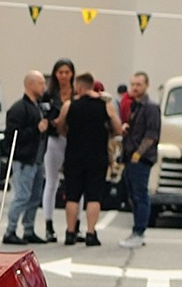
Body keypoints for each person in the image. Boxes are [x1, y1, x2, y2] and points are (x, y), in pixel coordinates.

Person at [58, 73, 113, 247]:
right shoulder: (105, 106)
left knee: (73, 196)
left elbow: (60, 126)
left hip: (74, 155)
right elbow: (118, 127)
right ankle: (90, 233)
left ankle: (70, 232)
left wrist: (71, 133)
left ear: (79, 87)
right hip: (97, 156)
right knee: (94, 196)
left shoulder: (69, 105)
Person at [0, 71, 50, 246]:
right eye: (41, 83)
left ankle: (29, 229)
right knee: (22, 195)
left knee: (35, 196)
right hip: (24, 159)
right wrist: (37, 129)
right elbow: (13, 136)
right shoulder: (19, 109)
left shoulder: (38, 107)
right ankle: (10, 230)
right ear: (30, 84)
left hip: (37, 159)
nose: (44, 87)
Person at [118, 71, 160, 245]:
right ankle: (136, 230)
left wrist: (138, 154)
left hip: (141, 159)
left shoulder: (150, 107)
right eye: (133, 84)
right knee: (133, 195)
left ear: (146, 85)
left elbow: (151, 135)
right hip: (129, 156)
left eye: (139, 84)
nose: (135, 88)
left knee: (140, 195)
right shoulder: (134, 106)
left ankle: (139, 231)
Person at [39, 57, 78, 241]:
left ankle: (75, 224)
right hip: (54, 139)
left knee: (75, 183)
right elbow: (43, 113)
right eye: (60, 72)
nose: (63, 76)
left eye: (67, 72)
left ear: (72, 74)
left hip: (73, 139)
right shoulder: (48, 94)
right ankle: (49, 224)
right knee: (51, 181)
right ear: (55, 74)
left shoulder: (77, 93)